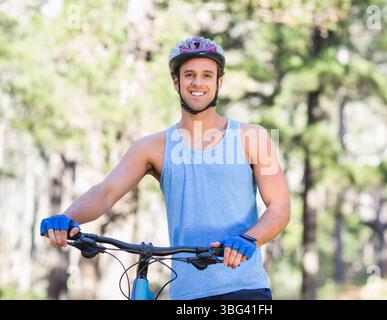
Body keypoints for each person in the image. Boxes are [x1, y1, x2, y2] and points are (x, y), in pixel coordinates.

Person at [40, 36, 290, 300]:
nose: (197, 82)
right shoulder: (152, 147)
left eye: (207, 75)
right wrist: (67, 218)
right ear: (176, 82)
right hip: (184, 294)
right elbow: (106, 192)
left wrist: (248, 239)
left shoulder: (254, 137)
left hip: (244, 289)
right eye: (189, 75)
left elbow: (280, 208)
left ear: (219, 83)